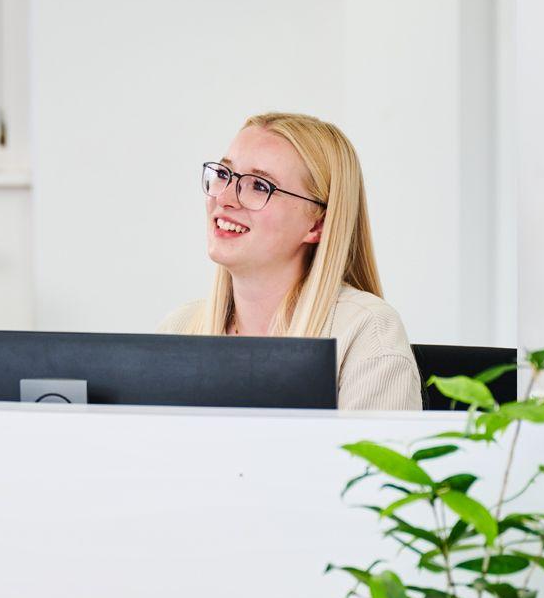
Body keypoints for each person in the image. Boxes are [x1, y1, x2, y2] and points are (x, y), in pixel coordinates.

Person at [161, 112, 422, 412]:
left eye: (259, 185)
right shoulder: (179, 329)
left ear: (318, 225)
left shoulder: (367, 332)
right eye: (224, 175)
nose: (224, 198)